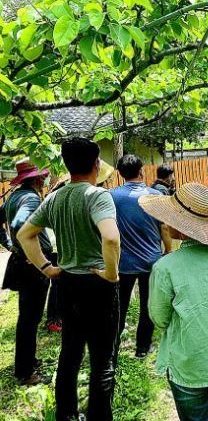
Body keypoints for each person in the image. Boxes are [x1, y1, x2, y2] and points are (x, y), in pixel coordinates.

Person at [18, 137, 121, 421]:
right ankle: (100, 416)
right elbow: (111, 238)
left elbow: (24, 234)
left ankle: (66, 414)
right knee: (102, 359)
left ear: (66, 164)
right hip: (97, 283)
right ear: (97, 164)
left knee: (70, 353)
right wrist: (111, 274)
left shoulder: (54, 197)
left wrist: (47, 268)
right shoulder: (97, 196)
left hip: (67, 283)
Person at [140, 182, 208, 421]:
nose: (165, 224)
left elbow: (159, 318)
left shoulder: (166, 267)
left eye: (169, 218)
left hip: (189, 363)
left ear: (180, 226)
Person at [44, 159, 116, 334]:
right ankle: (56, 318)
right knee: (61, 284)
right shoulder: (74, 195)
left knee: (63, 285)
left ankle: (62, 318)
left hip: (63, 246)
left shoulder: (64, 194)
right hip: (61, 246)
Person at [111, 154, 172, 359]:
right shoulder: (155, 195)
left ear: (120, 174)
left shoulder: (111, 196)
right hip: (151, 261)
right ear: (142, 170)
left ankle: (113, 347)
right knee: (148, 305)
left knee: (119, 306)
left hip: (122, 263)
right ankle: (142, 348)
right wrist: (168, 250)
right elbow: (164, 226)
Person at [0, 158, 52, 385]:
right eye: (43, 176)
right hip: (31, 267)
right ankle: (25, 371)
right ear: (37, 178)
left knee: (27, 318)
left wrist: (9, 244)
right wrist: (35, 256)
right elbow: (19, 225)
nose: (45, 179)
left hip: (20, 262)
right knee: (30, 319)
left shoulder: (15, 196)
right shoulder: (30, 198)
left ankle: (27, 360)